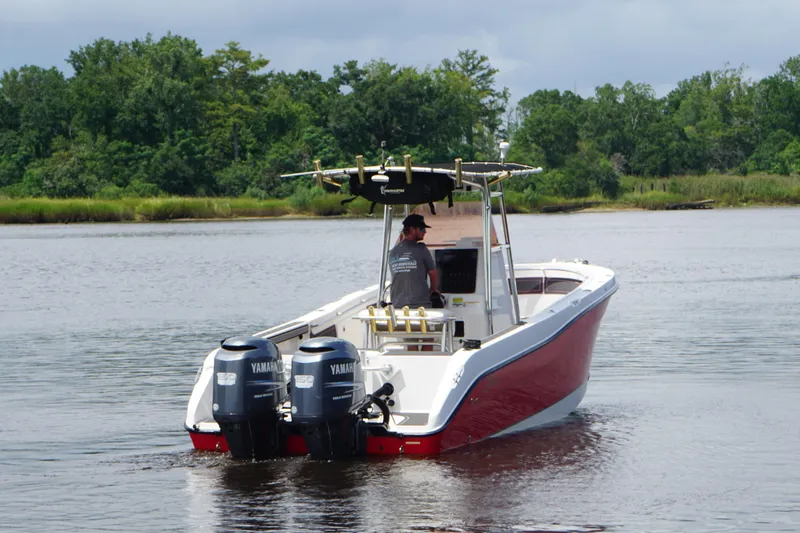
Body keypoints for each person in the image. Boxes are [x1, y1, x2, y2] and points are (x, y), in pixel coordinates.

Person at [389, 214, 439, 309]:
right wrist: (433, 289)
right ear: (412, 230)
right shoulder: (421, 249)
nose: (425, 232)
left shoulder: (393, 251)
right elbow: (433, 273)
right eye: (422, 229)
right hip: (420, 305)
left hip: (397, 305)